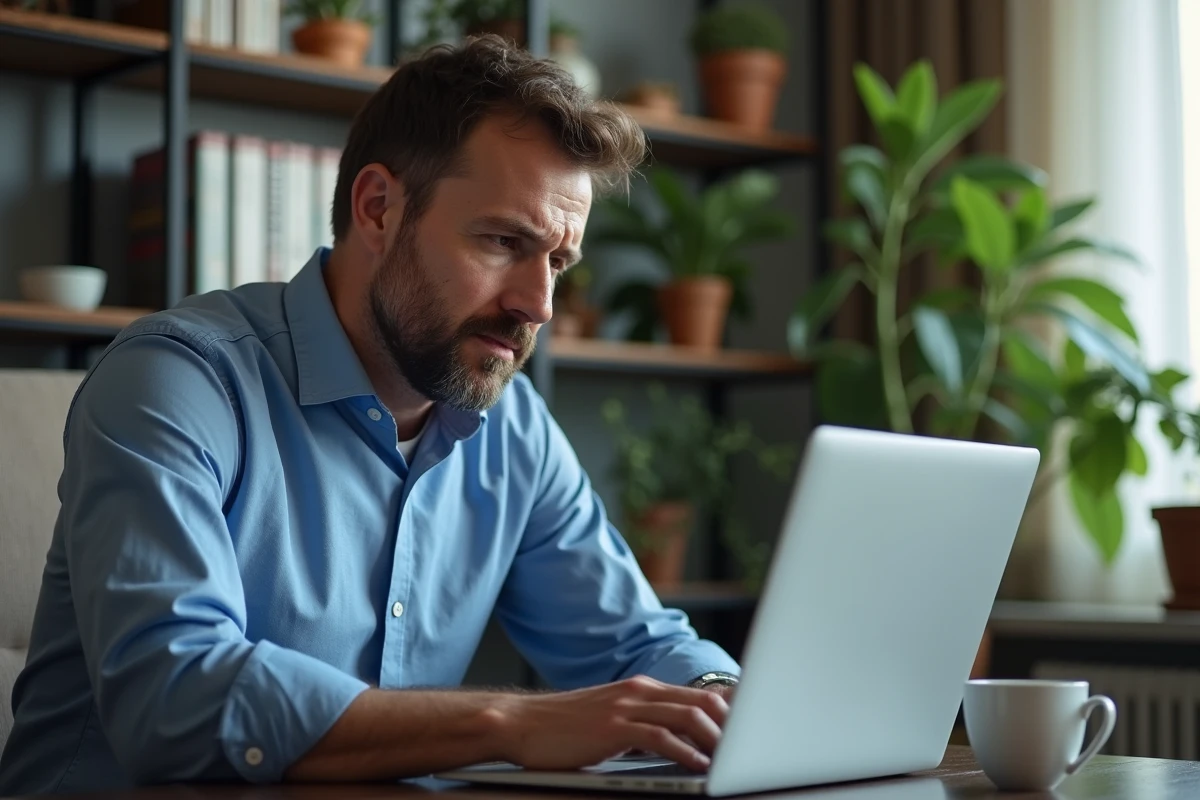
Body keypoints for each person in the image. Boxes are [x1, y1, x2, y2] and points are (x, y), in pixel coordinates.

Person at [0, 36, 742, 796]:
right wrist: (509, 726)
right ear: (378, 208)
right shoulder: (177, 381)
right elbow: (174, 696)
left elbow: (631, 643)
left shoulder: (513, 429)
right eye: (502, 241)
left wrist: (723, 701)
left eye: (557, 261)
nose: (539, 305)